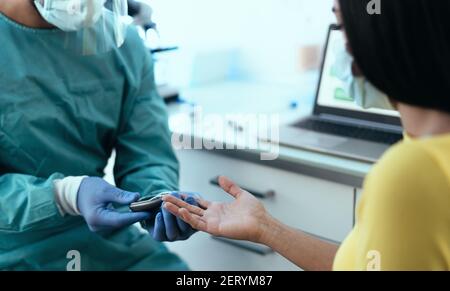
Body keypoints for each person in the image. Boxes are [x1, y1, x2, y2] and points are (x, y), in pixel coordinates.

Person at [163, 0, 450, 271]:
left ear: (382, 33)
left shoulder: (410, 173)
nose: (342, 47)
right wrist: (265, 227)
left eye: (342, 24)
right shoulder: (422, 149)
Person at [0, 0, 197, 270]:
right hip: (11, 250)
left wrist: (161, 198)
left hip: (105, 244)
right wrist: (64, 194)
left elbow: (148, 151)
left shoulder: (122, 44)